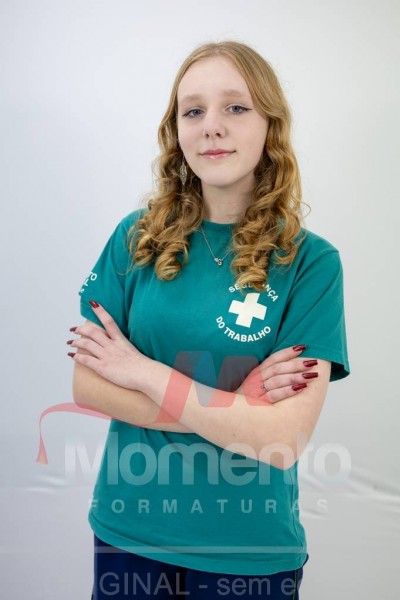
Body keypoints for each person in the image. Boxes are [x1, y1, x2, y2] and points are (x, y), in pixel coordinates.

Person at [68, 40, 350, 600]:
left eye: (235, 107)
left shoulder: (311, 263)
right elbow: (88, 387)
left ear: (270, 124)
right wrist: (236, 410)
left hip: (249, 552)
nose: (211, 126)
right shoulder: (135, 238)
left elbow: (282, 439)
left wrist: (142, 372)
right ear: (176, 131)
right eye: (193, 111)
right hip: (128, 535)